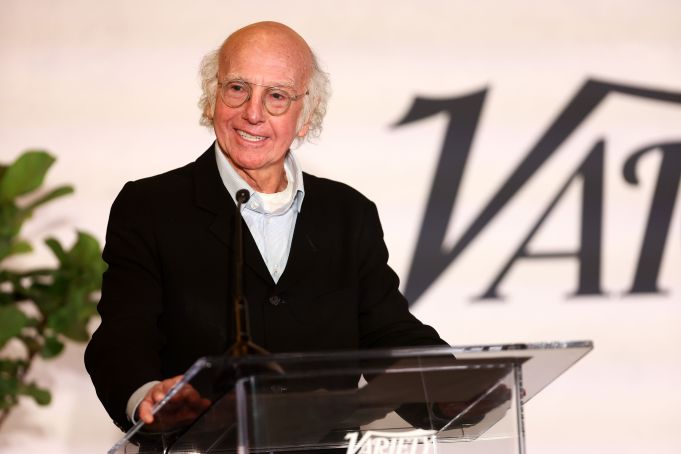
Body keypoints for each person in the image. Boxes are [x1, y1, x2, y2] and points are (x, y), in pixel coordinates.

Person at [84, 21, 445, 433]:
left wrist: (455, 385)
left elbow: (387, 332)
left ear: (306, 117)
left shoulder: (348, 213)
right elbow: (123, 334)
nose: (252, 113)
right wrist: (145, 395)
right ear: (211, 100)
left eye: (276, 96)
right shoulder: (150, 206)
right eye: (237, 88)